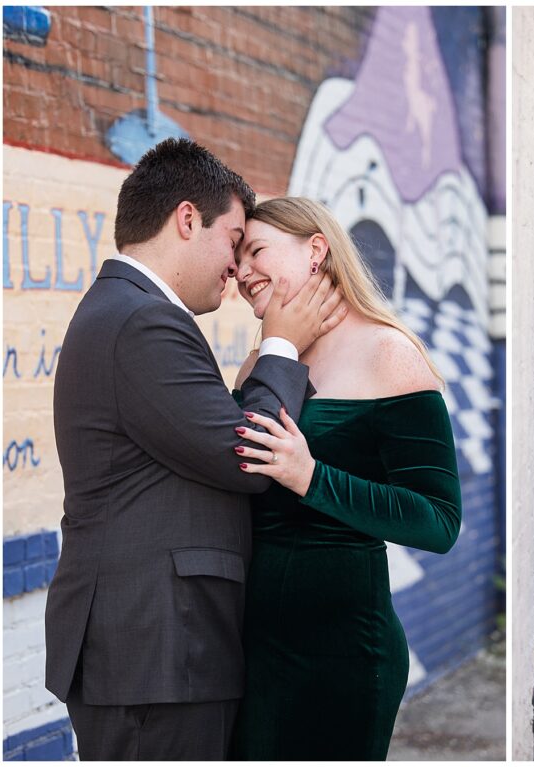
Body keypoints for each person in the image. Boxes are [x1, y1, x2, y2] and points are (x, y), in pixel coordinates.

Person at [46, 138, 344, 760]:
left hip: (156, 648)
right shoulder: (142, 321)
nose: (237, 268)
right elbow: (245, 455)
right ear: (187, 219)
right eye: (233, 239)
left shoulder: (129, 311)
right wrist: (283, 345)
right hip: (156, 651)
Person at [225, 197, 462, 760]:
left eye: (256, 251)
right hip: (254, 647)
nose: (242, 272)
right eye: (237, 261)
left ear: (316, 250)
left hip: (344, 652)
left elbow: (439, 520)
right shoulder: (260, 362)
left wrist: (311, 477)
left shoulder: (390, 352)